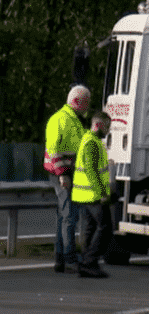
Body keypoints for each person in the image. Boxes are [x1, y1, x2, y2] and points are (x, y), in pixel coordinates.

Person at [44, 85, 90, 273]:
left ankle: (60, 259)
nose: (88, 107)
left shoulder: (73, 120)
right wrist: (62, 173)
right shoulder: (62, 119)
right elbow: (55, 148)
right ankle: (70, 258)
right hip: (62, 173)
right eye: (86, 102)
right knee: (69, 216)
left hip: (66, 172)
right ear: (77, 102)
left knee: (64, 216)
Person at [71, 111, 112, 278]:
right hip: (92, 195)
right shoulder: (92, 143)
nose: (108, 130)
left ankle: (86, 263)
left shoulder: (91, 140)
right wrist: (101, 193)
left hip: (86, 194)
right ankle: (89, 262)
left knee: (89, 229)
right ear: (98, 125)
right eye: (107, 126)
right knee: (105, 228)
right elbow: (91, 171)